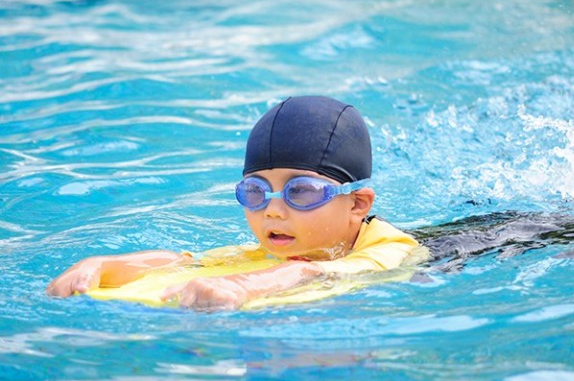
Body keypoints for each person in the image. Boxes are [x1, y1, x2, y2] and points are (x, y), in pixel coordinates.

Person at [46, 96, 427, 310]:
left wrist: (246, 285)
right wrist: (102, 265)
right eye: (255, 192)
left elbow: (325, 273)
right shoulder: (276, 248)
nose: (272, 210)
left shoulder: (393, 249)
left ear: (357, 204)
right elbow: (189, 261)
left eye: (301, 192)